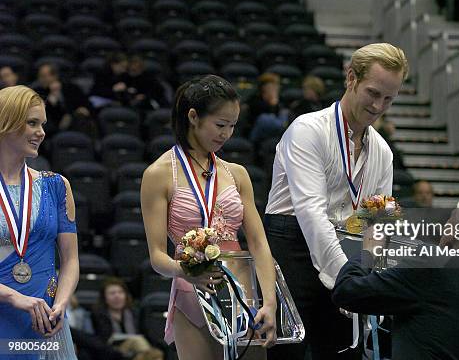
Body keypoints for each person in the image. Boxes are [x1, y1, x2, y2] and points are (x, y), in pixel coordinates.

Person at [264, 43, 409, 360]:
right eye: (373, 93)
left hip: (347, 253)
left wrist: (369, 279)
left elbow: (375, 224)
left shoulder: (382, 152)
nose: (378, 105)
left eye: (388, 98)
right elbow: (312, 215)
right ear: (351, 78)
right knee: (287, 354)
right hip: (292, 251)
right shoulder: (307, 130)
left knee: (345, 353)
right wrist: (347, 279)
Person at [141, 75, 278, 359]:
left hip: (244, 295)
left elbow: (259, 243)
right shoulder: (158, 174)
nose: (226, 134)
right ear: (193, 117)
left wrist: (270, 301)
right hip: (192, 294)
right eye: (220, 125)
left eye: (232, 126)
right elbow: (157, 256)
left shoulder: (237, 173)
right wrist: (186, 272)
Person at [332, 192, 459, 359]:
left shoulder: (434, 264)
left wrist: (370, 251)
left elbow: (347, 291)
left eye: (450, 219)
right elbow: (436, 331)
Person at [0, 85, 79, 359]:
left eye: (42, 124)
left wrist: (61, 304)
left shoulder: (57, 186)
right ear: (5, 122)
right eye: (32, 123)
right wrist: (14, 297)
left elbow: (70, 261)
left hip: (45, 320)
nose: (41, 132)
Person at [32, 63, 92, 138]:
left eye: (44, 77)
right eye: (40, 77)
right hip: (52, 125)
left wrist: (81, 110)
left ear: (55, 76)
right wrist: (51, 98)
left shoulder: (71, 88)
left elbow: (87, 105)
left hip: (74, 120)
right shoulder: (38, 92)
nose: (41, 80)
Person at [91, 277, 139, 343]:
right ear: (104, 298)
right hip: (110, 349)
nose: (117, 296)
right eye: (112, 293)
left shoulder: (134, 313)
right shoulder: (99, 315)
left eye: (120, 292)